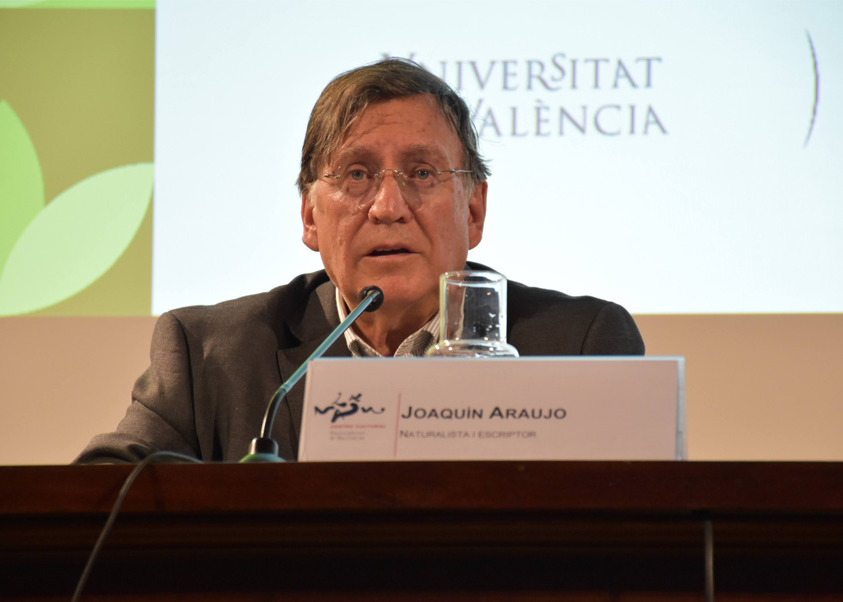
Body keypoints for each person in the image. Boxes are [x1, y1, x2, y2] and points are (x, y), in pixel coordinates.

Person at [76, 58, 644, 464]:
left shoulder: (579, 345)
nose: (388, 206)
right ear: (309, 217)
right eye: (356, 175)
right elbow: (100, 498)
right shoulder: (208, 357)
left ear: (473, 211)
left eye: (422, 173)